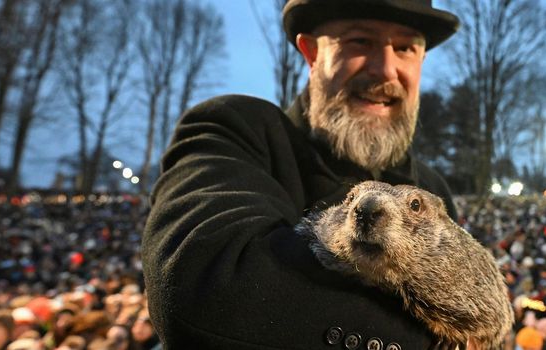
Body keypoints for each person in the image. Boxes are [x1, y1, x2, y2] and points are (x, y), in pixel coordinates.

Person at [141, 0, 461, 348]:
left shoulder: (431, 189)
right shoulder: (234, 130)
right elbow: (204, 284)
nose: (385, 70)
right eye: (360, 41)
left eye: (405, 48)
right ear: (312, 53)